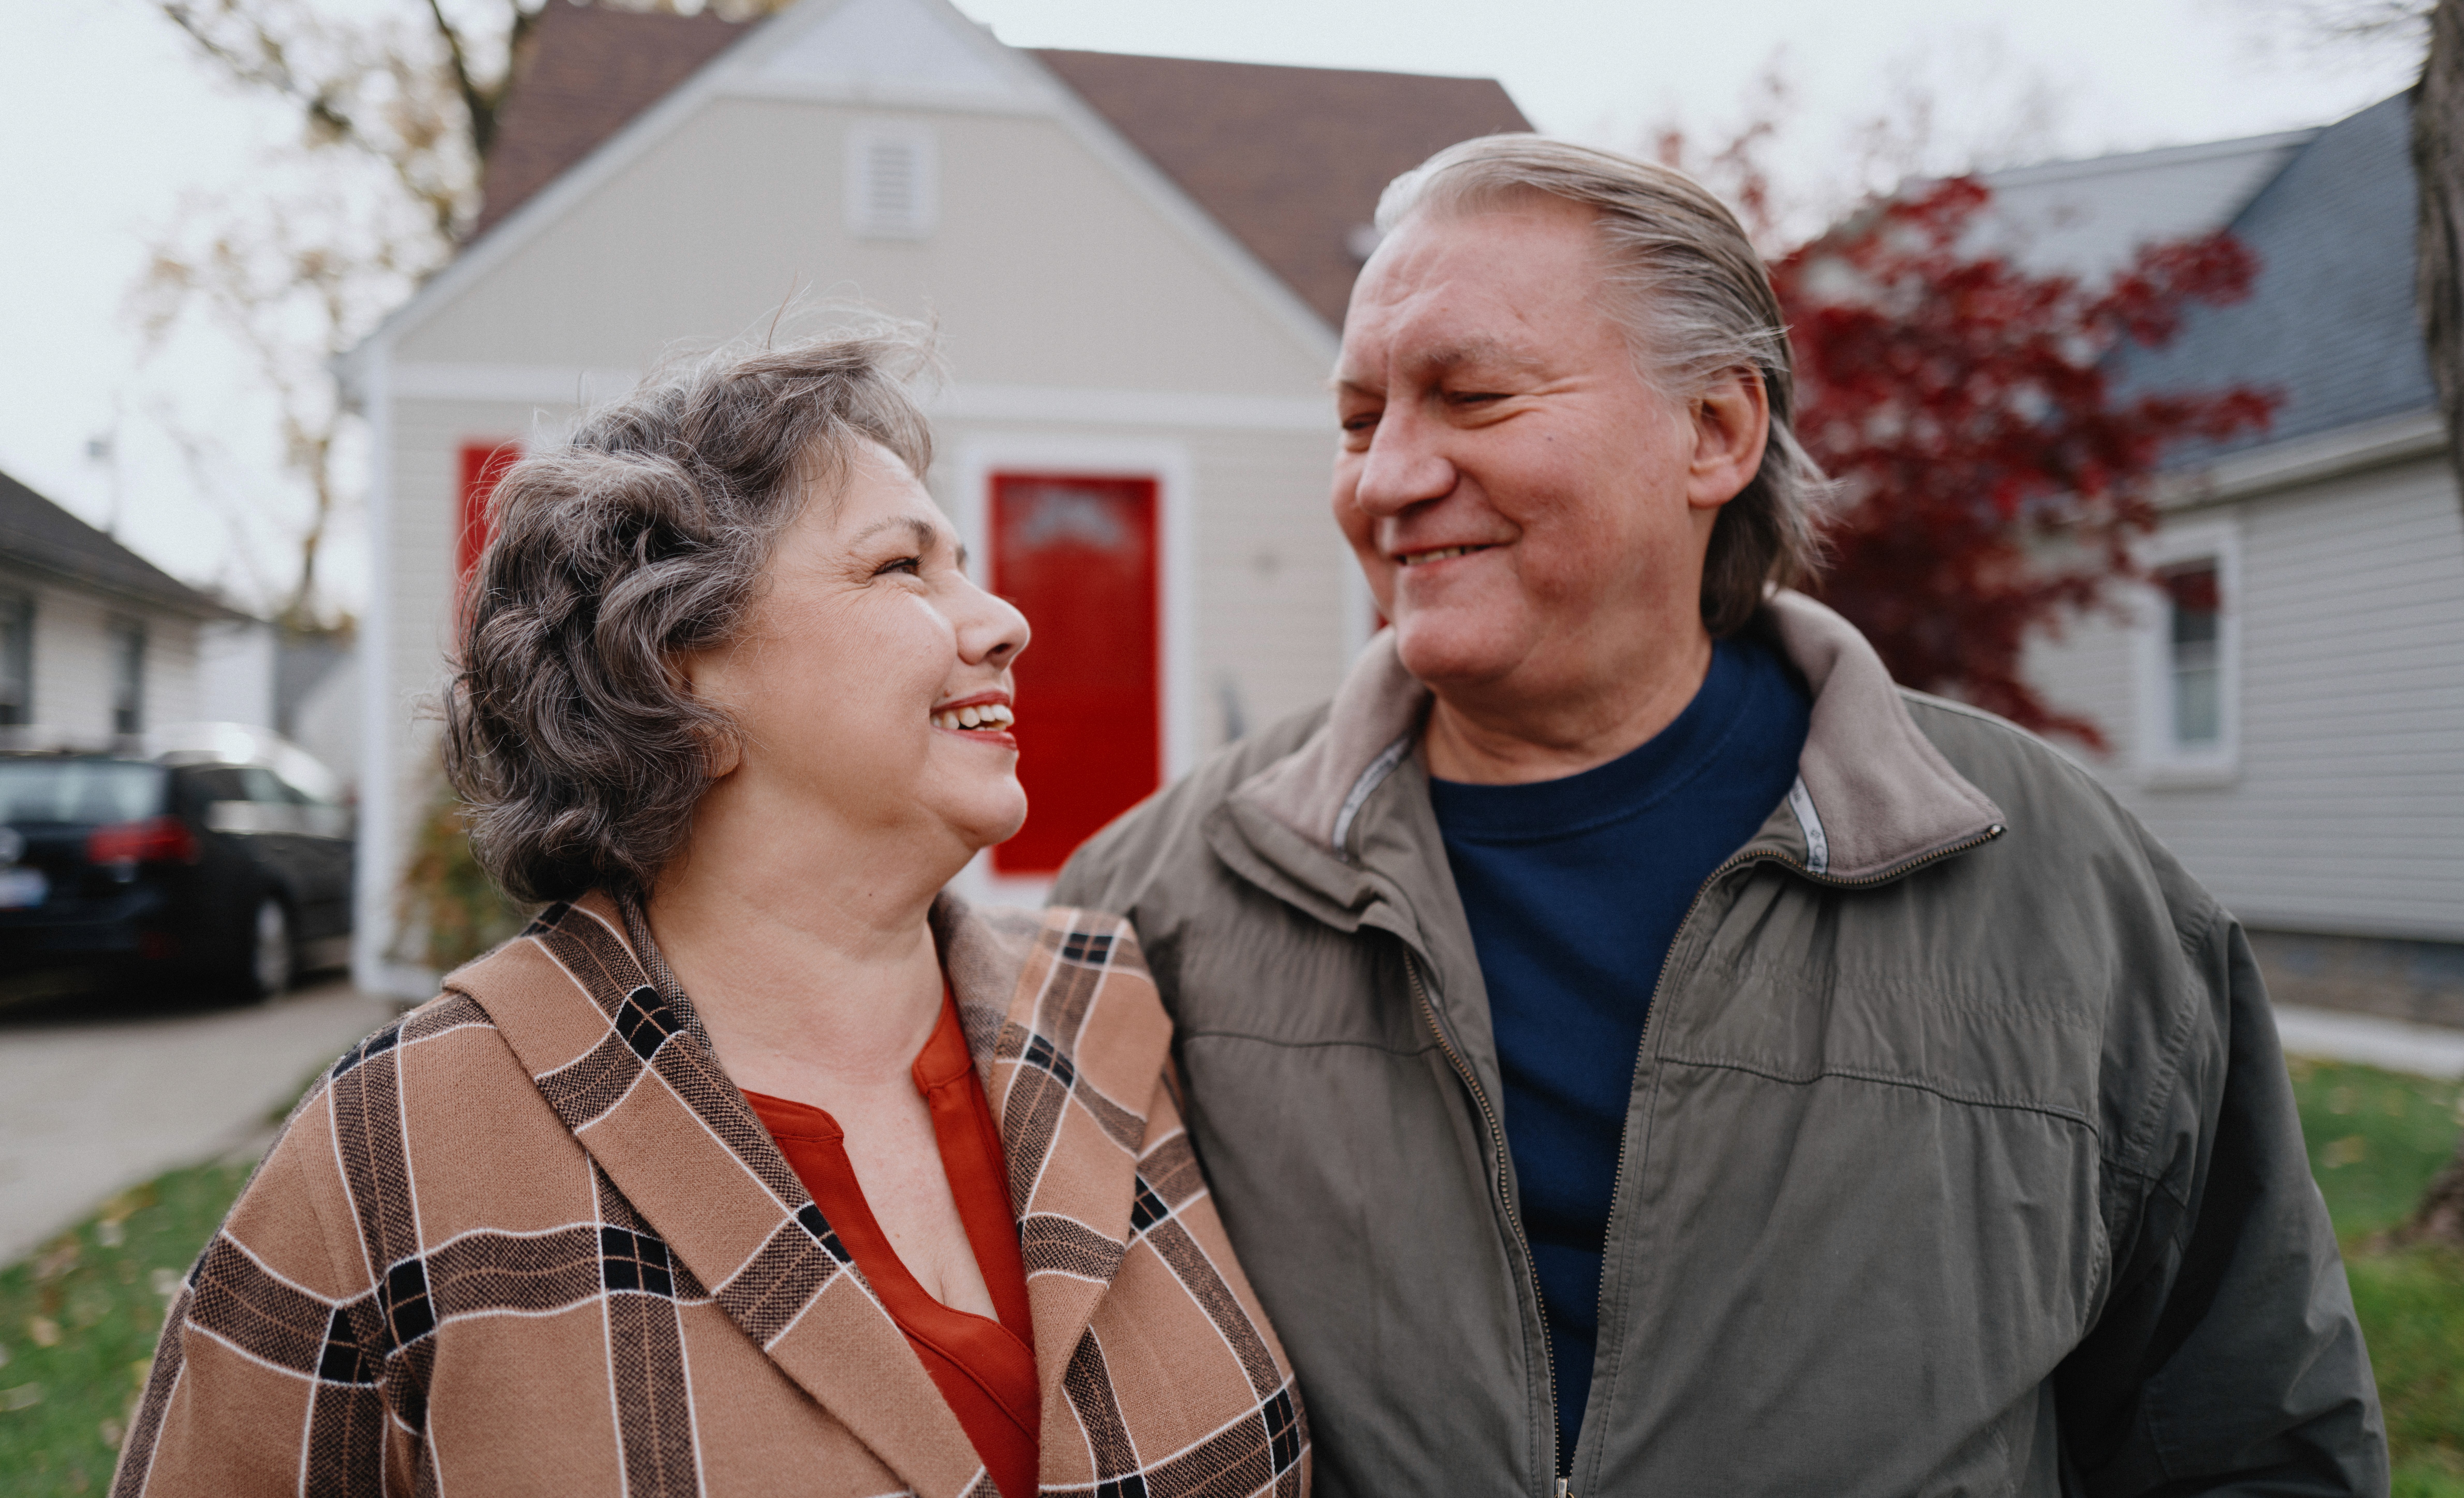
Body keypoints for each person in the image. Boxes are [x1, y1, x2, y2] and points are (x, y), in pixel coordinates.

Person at [1053, 136, 2385, 1496]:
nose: (1387, 478)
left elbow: (2249, 1438)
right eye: (1357, 418)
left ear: (1716, 432)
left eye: (1472, 395)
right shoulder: (1157, 902)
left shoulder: (2072, 891)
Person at [114, 330, 1308, 1498]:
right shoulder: (395, 1152)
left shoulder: (1122, 1013)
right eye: (903, 567)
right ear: (673, 667)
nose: (1004, 619)